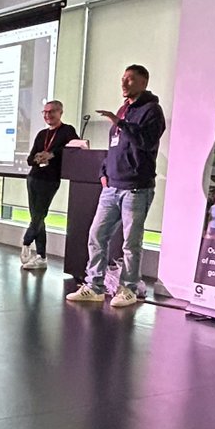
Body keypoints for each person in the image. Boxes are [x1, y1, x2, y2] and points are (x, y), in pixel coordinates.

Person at [66, 64, 166, 308]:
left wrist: (119, 123)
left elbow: (145, 141)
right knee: (96, 235)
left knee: (131, 243)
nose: (124, 83)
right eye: (123, 79)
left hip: (135, 189)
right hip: (111, 187)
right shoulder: (124, 110)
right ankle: (94, 286)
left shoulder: (152, 111)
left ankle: (129, 289)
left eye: (130, 79)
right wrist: (103, 171)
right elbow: (115, 146)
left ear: (144, 82)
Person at [20, 100, 78, 270]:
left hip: (50, 179)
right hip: (34, 178)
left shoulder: (67, 131)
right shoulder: (41, 134)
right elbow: (30, 159)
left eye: (52, 111)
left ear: (60, 112)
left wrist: (52, 154)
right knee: (37, 218)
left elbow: (75, 148)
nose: (48, 115)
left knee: (39, 214)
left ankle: (26, 241)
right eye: (45, 112)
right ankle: (42, 257)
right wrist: (38, 158)